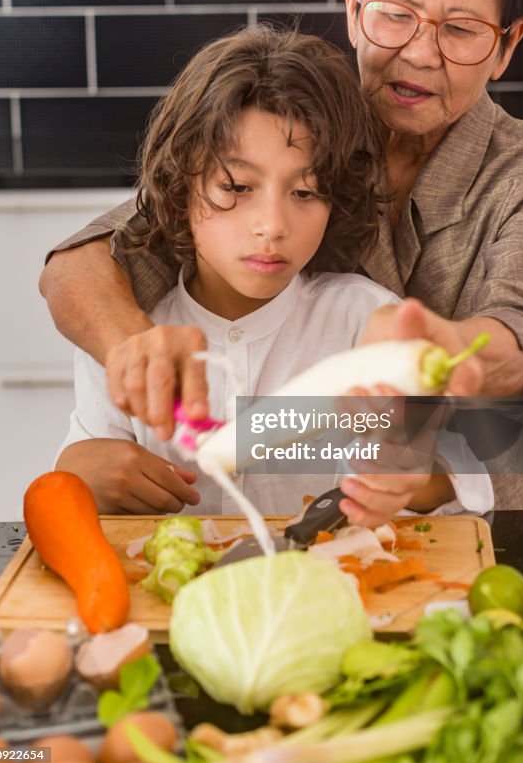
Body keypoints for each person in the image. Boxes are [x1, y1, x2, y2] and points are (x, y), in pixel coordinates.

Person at [41, 0, 523, 511]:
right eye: (397, 13)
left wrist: (438, 349)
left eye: (461, 28)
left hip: (502, 519)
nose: (421, 52)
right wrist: (129, 355)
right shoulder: (302, 124)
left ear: (508, 43)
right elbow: (88, 262)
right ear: (355, 6)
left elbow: (522, 335)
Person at [55, 25, 490, 520]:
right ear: (179, 188)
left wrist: (404, 470)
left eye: (304, 192)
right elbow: (82, 462)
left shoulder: (367, 320)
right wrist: (84, 472)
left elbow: (458, 483)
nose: (272, 226)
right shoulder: (132, 328)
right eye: (237, 186)